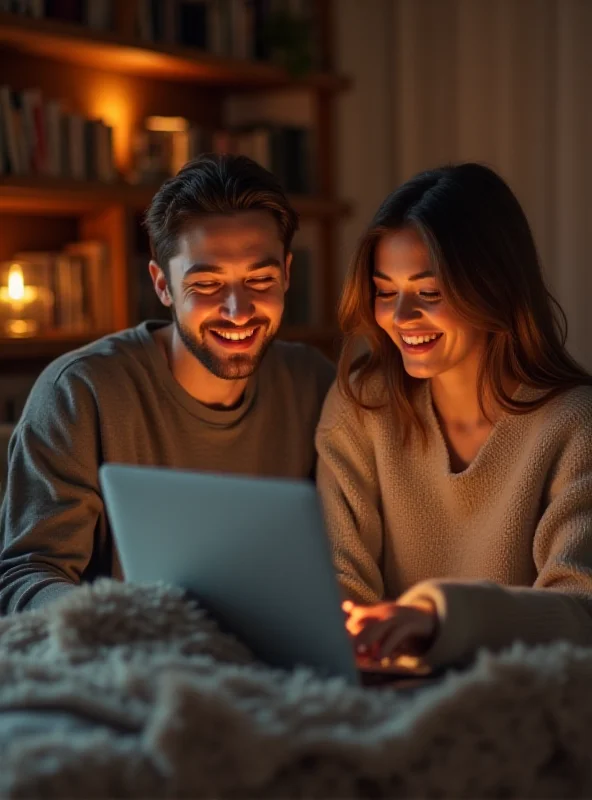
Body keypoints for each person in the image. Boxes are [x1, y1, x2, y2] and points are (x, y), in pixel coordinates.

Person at [0, 154, 335, 613]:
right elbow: (26, 576)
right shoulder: (78, 392)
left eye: (260, 279)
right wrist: (122, 626)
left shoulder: (313, 382)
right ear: (162, 284)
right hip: (124, 657)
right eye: (208, 284)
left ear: (287, 274)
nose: (238, 311)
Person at [316, 162, 592, 674]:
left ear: (494, 289)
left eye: (430, 293)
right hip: (382, 687)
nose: (400, 318)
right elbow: (340, 583)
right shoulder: (363, 401)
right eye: (385, 291)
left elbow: (580, 613)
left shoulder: (574, 424)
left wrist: (440, 616)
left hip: (516, 700)